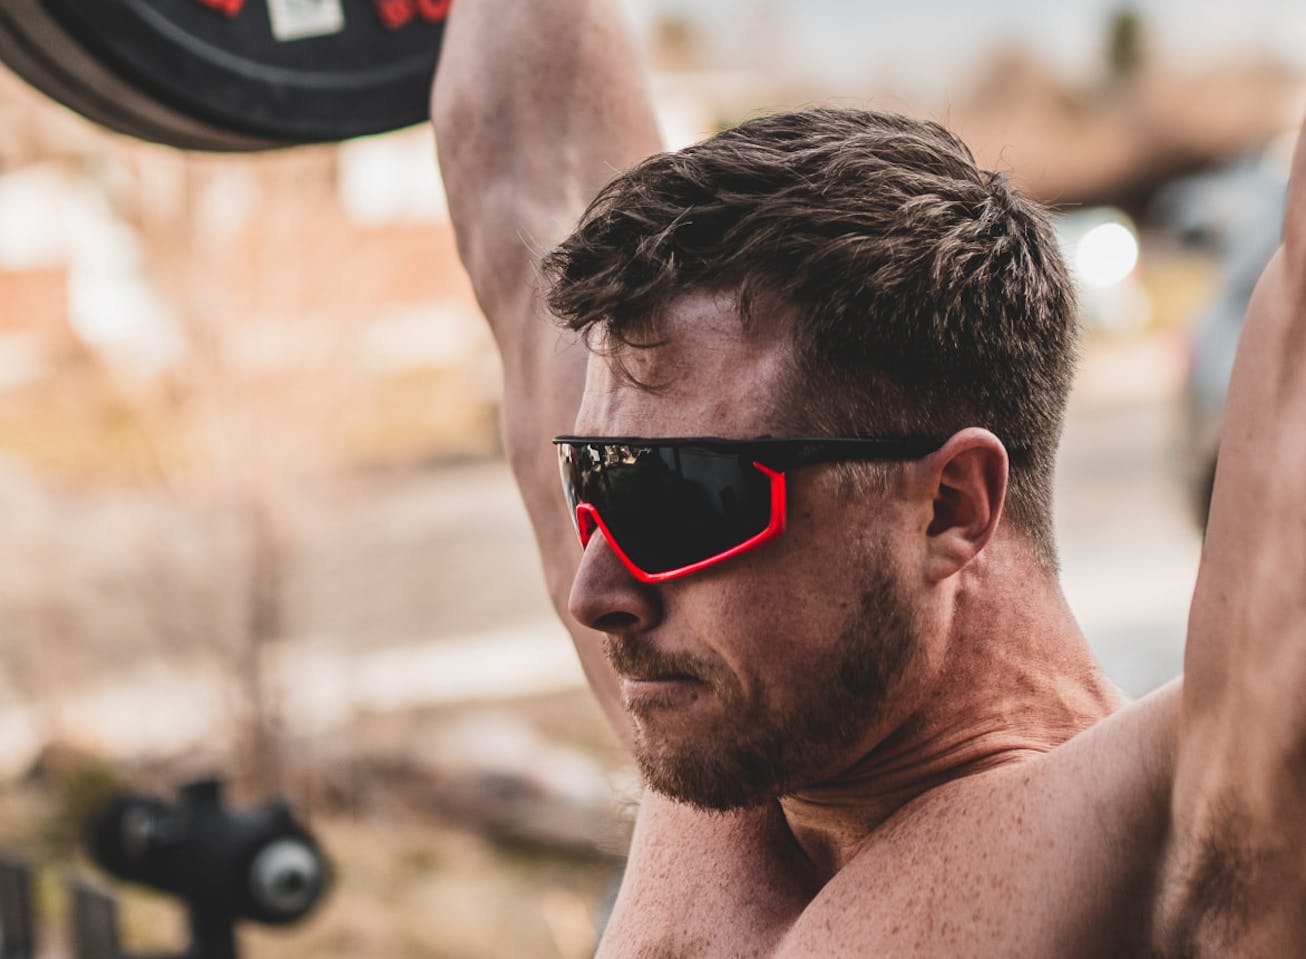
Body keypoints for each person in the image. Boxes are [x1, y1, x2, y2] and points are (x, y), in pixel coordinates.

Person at [432, 2, 1306, 955]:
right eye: (594, 482)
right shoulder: (726, 740)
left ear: (951, 504)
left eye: (678, 498)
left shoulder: (1177, 834)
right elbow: (526, 163)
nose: (594, 591)